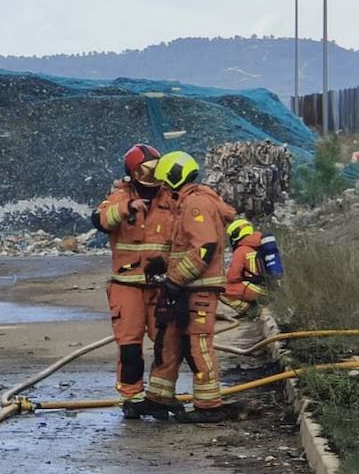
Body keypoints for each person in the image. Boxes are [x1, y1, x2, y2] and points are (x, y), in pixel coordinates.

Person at [145, 151, 238, 423]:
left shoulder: (196, 204)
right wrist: (163, 265)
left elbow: (204, 247)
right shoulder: (189, 202)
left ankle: (209, 407)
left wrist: (175, 279)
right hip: (187, 287)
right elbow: (186, 246)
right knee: (168, 341)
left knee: (198, 346)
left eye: (165, 182)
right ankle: (157, 399)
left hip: (198, 289)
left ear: (174, 178)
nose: (163, 189)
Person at [93, 144, 176, 419]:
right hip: (126, 284)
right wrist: (127, 207)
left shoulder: (170, 198)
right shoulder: (120, 196)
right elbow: (101, 219)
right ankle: (132, 397)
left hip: (162, 284)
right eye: (148, 170)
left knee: (167, 342)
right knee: (129, 347)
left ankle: (161, 397)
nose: (153, 177)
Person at [220, 219, 268, 316]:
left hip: (253, 288)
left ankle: (247, 308)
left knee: (219, 290)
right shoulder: (262, 245)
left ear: (236, 234)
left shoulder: (241, 250)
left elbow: (232, 277)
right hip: (267, 288)